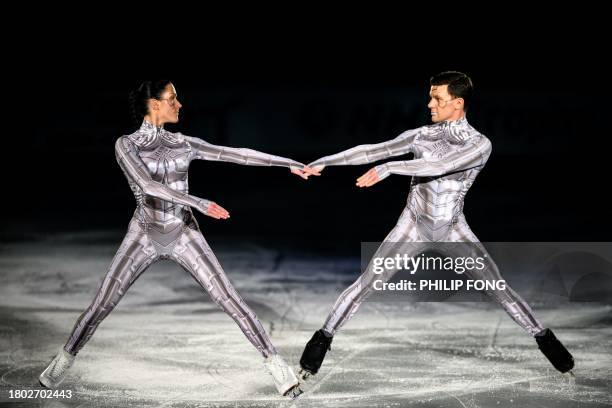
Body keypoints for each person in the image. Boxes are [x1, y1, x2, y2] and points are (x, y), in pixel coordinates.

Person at [39, 80, 315, 397]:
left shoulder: (184, 142)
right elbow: (147, 186)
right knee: (102, 303)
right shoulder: (126, 145)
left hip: (183, 231)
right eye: (172, 98)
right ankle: (65, 357)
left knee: (230, 298)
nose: (179, 104)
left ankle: (277, 366)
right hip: (144, 233)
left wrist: (288, 163)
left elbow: (235, 155)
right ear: (154, 104)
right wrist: (199, 202)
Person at [298, 71, 574, 380]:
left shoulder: (479, 144)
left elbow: (439, 166)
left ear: (457, 103)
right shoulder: (422, 135)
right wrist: (326, 161)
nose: (430, 103)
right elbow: (372, 149)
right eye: (430, 96)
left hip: (453, 229)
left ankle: (543, 338)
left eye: (437, 98)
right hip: (412, 224)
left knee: (498, 288)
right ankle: (322, 338)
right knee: (367, 282)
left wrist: (391, 167)